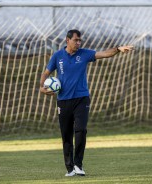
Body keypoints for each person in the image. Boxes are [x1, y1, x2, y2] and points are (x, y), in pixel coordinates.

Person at [40, 29, 134, 177]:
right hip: (63, 101)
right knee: (66, 134)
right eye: (76, 40)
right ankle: (70, 168)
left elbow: (104, 54)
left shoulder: (84, 54)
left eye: (79, 40)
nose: (78, 43)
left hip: (82, 99)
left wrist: (117, 49)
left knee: (81, 130)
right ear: (67, 40)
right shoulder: (58, 56)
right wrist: (41, 87)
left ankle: (78, 165)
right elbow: (46, 73)